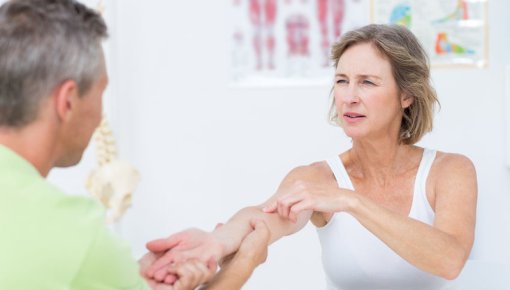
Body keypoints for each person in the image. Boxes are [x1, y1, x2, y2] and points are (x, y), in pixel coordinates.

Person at [145, 24, 477, 290]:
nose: (349, 97)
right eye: (342, 81)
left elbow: (449, 260)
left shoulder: (449, 171)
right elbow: (261, 219)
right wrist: (214, 243)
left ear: (406, 95)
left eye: (367, 83)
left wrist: (352, 201)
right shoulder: (318, 179)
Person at [0, 0, 268, 289]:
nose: (99, 112)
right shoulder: (73, 234)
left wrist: (120, 276)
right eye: (100, 91)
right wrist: (241, 264)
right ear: (67, 101)